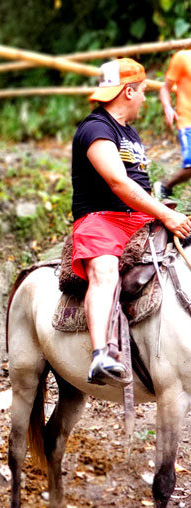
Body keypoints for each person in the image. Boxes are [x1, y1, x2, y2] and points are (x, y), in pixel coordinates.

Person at [71, 59, 191, 385]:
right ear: (128, 91)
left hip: (138, 216)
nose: (145, 99)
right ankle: (102, 354)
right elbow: (119, 183)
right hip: (101, 218)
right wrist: (165, 213)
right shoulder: (96, 129)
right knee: (105, 269)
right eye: (142, 92)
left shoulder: (128, 132)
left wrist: (162, 211)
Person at [155, 50, 191, 199]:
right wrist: (167, 107)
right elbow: (165, 88)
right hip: (187, 120)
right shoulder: (182, 58)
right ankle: (165, 186)